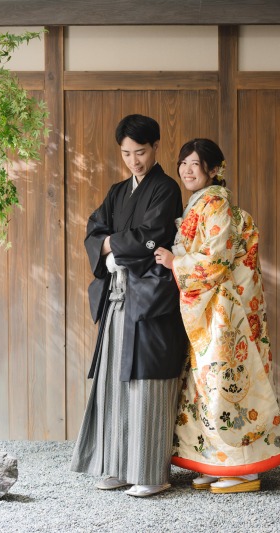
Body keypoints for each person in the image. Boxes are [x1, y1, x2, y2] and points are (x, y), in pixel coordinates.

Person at [154, 138, 280, 494]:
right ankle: (216, 462)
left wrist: (176, 262)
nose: (186, 169)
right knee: (207, 386)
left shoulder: (215, 204)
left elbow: (217, 260)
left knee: (228, 386)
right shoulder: (202, 203)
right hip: (214, 306)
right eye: (183, 162)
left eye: (195, 164)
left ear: (214, 170)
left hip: (224, 310)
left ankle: (244, 469)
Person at [71, 114, 188, 498]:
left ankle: (152, 472)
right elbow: (95, 229)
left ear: (156, 147)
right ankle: (119, 466)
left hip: (151, 300)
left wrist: (112, 245)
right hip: (119, 300)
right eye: (126, 153)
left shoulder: (166, 188)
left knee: (148, 383)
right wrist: (109, 247)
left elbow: (150, 237)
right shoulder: (119, 191)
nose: (134, 161)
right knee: (113, 383)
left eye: (140, 152)